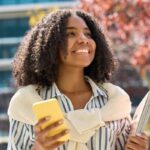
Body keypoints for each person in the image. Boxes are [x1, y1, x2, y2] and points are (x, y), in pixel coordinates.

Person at [7, 9, 149, 150]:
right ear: (50, 44)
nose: (83, 39)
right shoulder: (26, 104)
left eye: (88, 34)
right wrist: (39, 147)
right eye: (71, 33)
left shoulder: (115, 102)